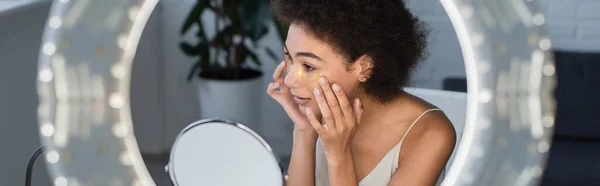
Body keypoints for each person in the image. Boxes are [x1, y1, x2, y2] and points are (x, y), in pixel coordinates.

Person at [266, 0, 457, 185]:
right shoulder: (318, 111)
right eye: (288, 57)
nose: (290, 80)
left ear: (364, 67)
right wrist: (304, 130)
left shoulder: (432, 134)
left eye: (308, 66)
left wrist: (339, 155)